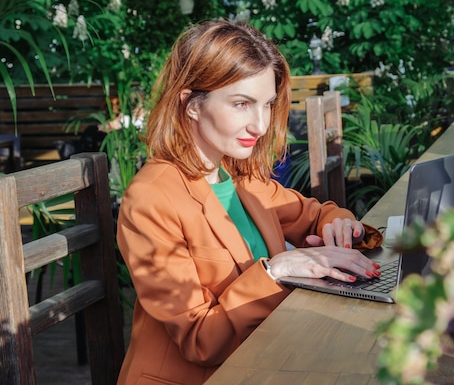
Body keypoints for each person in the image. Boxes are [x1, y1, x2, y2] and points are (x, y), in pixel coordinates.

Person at [116, 19, 383, 385]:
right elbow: (200, 342)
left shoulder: (240, 178)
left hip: (266, 360)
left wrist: (338, 226)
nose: (260, 125)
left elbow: (316, 215)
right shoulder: (151, 200)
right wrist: (276, 270)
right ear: (191, 104)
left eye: (267, 105)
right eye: (242, 104)